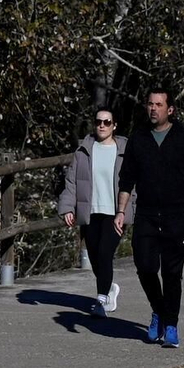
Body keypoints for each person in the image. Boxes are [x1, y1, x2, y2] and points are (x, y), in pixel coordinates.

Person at [116, 90, 184, 349]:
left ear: (170, 109)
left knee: (172, 273)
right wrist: (121, 211)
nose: (153, 109)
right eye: (150, 104)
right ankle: (159, 310)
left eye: (159, 104)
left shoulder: (183, 138)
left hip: (176, 215)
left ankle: (172, 325)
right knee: (145, 266)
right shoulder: (138, 138)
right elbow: (126, 179)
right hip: (146, 214)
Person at [57, 108, 136, 317]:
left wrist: (131, 207)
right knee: (94, 255)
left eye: (107, 122)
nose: (102, 125)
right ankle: (109, 288)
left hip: (116, 212)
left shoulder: (125, 150)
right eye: (99, 121)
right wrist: (66, 208)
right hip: (90, 211)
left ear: (114, 125)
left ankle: (101, 300)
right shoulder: (84, 150)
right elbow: (72, 181)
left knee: (104, 252)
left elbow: (135, 182)